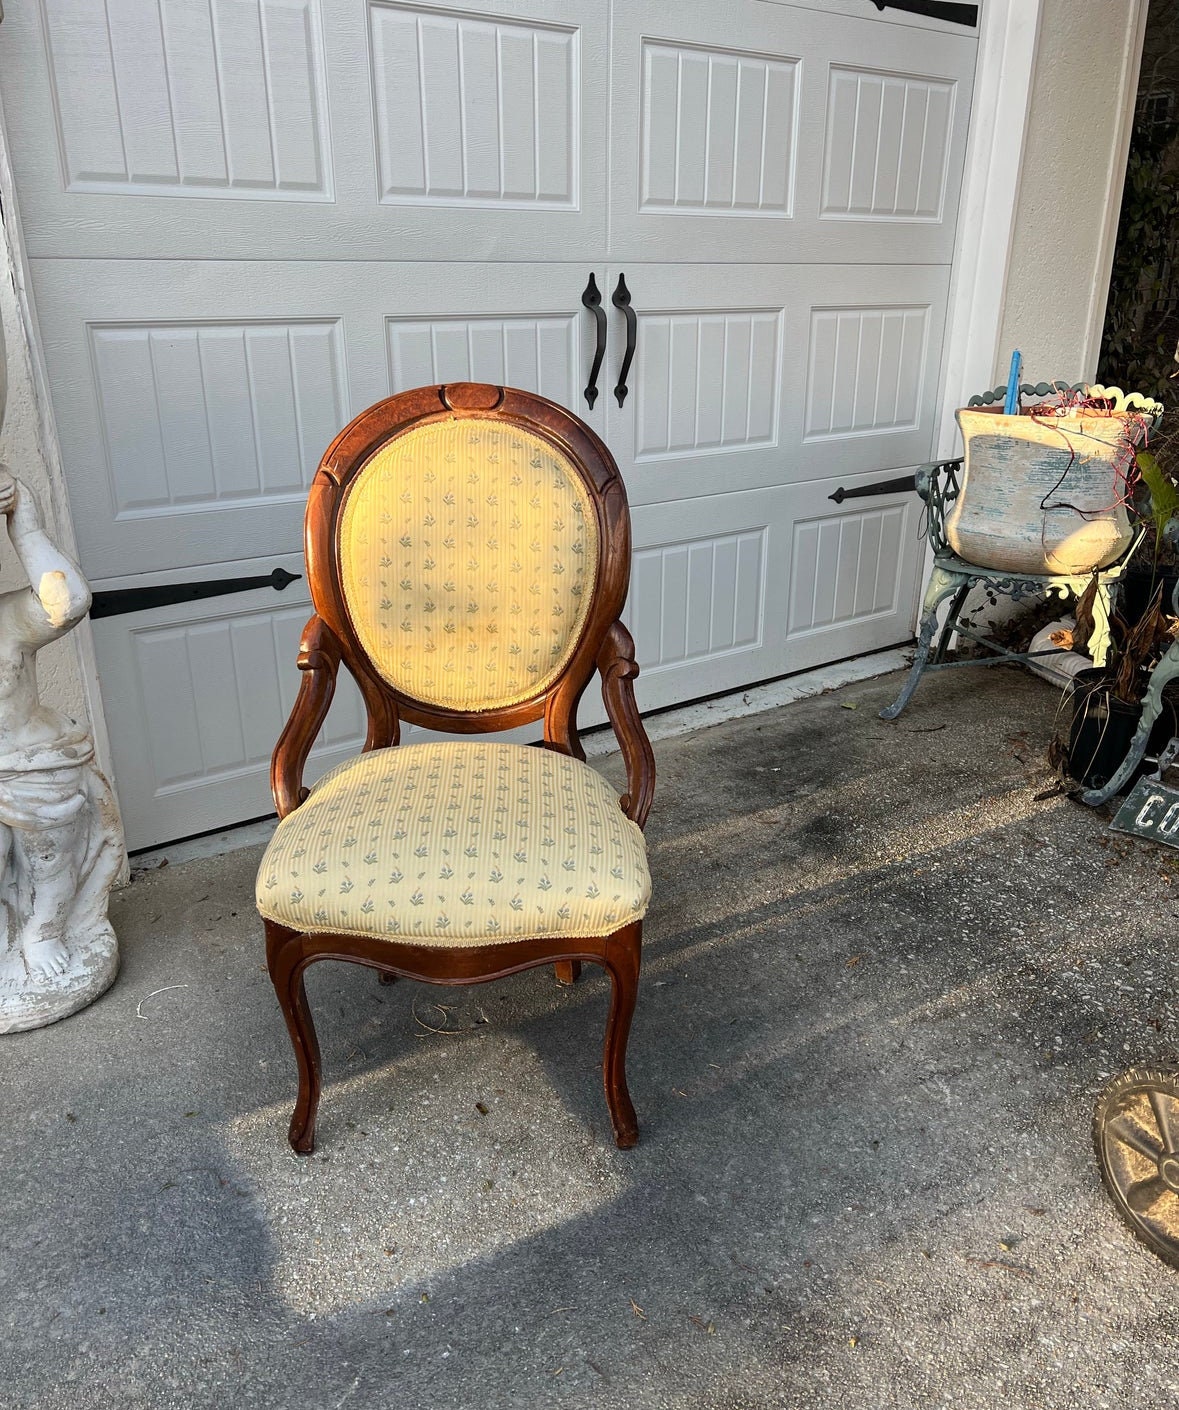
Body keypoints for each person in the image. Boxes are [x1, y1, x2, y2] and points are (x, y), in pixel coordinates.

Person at [0, 468, 120, 984]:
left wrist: (26, 528)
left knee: (50, 860)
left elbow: (66, 603)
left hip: (29, 765)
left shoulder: (5, 622)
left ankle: (43, 930)